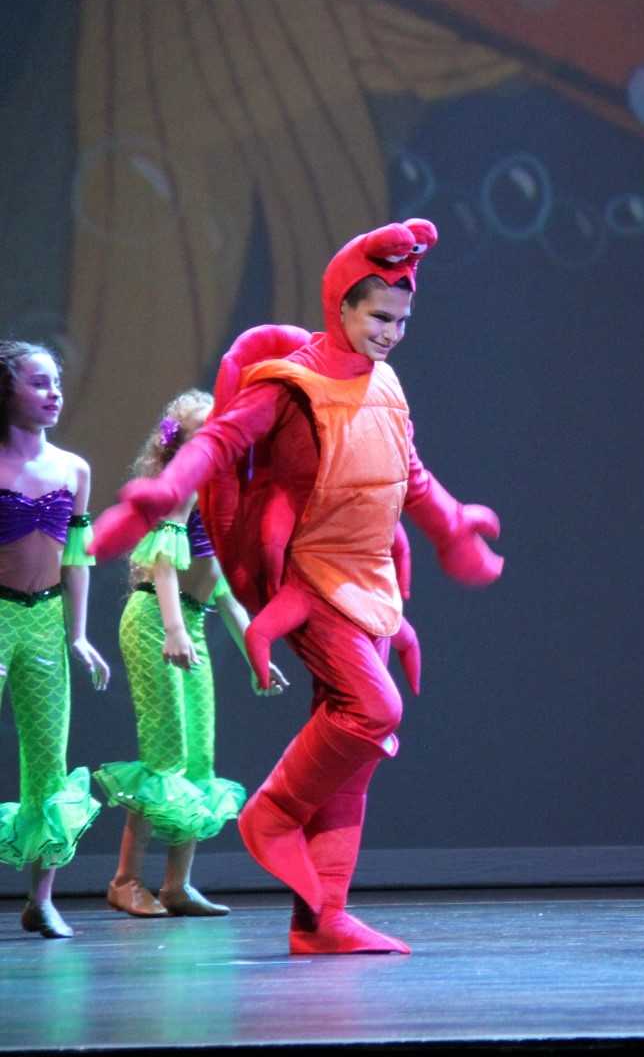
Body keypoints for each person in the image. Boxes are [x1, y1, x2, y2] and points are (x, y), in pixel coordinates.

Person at [92, 220, 503, 954]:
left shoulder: (386, 383)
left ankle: (320, 921)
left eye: (402, 321)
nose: (391, 334)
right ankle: (271, 815)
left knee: (354, 767)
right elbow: (220, 439)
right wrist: (166, 492)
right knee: (375, 707)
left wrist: (450, 526)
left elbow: (407, 473)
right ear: (342, 306)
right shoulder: (291, 384)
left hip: (373, 583)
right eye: (379, 317)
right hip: (313, 583)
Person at [95, 390, 289, 919]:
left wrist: (256, 652)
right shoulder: (183, 487)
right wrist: (174, 630)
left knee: (199, 755)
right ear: (179, 443)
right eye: (205, 428)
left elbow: (224, 592)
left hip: (193, 623)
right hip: (157, 622)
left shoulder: (227, 492)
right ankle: (124, 880)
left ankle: (177, 885)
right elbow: (162, 561)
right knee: (166, 754)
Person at [0, 340, 110, 938]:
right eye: (38, 383)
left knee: (48, 761)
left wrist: (79, 633)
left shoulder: (74, 469)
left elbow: (77, 557)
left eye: (56, 382)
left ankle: (41, 900)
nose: (53, 394)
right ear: (6, 390)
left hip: (44, 621)